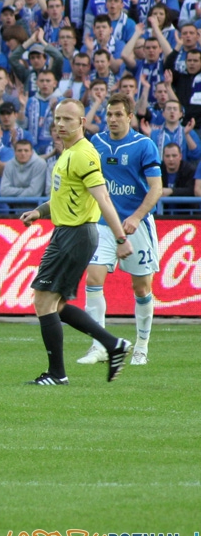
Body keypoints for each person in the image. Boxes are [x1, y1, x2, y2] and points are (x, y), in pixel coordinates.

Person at [18, 99, 135, 386]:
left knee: (44, 300)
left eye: (68, 119)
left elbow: (102, 197)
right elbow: (63, 196)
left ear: (82, 122)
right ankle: (111, 344)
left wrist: (120, 238)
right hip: (68, 233)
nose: (60, 124)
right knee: (54, 305)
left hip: (75, 234)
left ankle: (57, 374)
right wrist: (40, 212)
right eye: (57, 118)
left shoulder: (84, 154)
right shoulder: (68, 154)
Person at [78, 93, 163, 367]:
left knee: (141, 288)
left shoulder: (144, 145)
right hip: (103, 224)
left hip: (136, 225)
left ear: (129, 116)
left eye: (118, 115)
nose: (112, 119)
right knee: (93, 279)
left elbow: (156, 188)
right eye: (109, 115)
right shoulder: (97, 143)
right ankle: (99, 345)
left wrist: (137, 217)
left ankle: (141, 346)